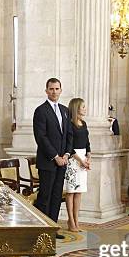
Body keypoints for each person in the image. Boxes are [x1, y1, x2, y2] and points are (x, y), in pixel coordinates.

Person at [32, 78, 73, 239]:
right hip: (48, 161)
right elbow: (41, 137)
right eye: (51, 89)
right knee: (45, 196)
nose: (54, 91)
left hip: (63, 161)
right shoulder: (41, 111)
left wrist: (67, 154)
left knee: (56, 196)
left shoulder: (65, 110)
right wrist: (55, 156)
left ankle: (53, 229)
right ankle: (42, 231)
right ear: (46, 91)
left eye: (57, 89)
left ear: (61, 90)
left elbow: (69, 134)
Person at [64, 98, 91, 232]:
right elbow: (69, 145)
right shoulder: (70, 124)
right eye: (83, 107)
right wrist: (80, 160)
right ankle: (71, 221)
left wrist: (88, 158)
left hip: (83, 158)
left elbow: (87, 142)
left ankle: (76, 221)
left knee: (79, 191)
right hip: (73, 159)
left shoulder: (84, 124)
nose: (85, 109)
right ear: (76, 108)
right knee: (71, 192)